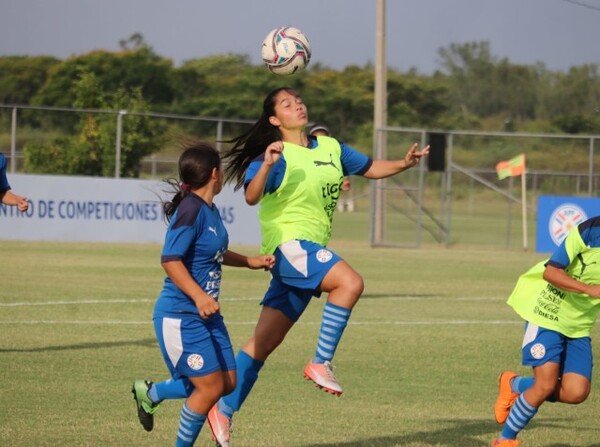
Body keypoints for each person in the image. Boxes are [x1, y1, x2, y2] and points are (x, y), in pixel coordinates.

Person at [206, 87, 429, 446]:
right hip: (290, 246)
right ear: (275, 120)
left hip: (305, 255)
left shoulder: (331, 148)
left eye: (298, 100)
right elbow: (251, 196)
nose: (298, 105)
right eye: (287, 104)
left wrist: (404, 163)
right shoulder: (275, 154)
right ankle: (320, 362)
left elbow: (370, 167)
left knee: (262, 345)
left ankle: (222, 410)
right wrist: (266, 164)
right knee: (350, 283)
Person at [131, 142, 275, 447]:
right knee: (208, 388)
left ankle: (151, 393)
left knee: (227, 383)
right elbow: (170, 259)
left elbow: (216, 252)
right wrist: (199, 297)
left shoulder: (209, 209)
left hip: (207, 315)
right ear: (214, 174)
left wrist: (250, 261)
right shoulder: (190, 209)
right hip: (181, 315)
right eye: (221, 168)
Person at [491, 215, 600, 446]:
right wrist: (588, 289)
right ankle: (505, 440)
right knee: (546, 384)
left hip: (578, 325)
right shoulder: (589, 231)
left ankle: (514, 385)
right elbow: (551, 272)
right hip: (548, 313)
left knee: (576, 392)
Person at [308, 124, 351, 193]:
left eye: (324, 138)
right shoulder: (306, 156)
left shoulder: (336, 156)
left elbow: (345, 186)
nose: (321, 141)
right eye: (316, 138)